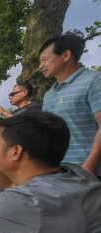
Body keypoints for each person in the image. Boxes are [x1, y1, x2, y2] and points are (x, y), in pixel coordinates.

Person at [39, 33, 101, 178]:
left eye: (45, 60)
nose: (40, 66)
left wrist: (89, 166)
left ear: (66, 55)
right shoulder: (48, 94)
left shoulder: (94, 81)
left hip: (88, 174)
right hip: (56, 172)